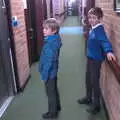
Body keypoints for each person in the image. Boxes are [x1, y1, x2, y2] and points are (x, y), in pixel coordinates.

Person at [77, 7, 116, 115]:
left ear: (100, 18)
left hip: (96, 60)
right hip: (90, 57)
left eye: (94, 18)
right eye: (90, 17)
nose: (91, 20)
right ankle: (88, 97)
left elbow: (104, 41)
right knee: (88, 79)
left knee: (95, 82)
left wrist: (108, 51)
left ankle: (96, 105)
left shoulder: (99, 29)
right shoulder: (92, 28)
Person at [39, 18, 62, 119]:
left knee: (50, 93)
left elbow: (48, 62)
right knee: (54, 90)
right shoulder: (55, 39)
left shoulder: (49, 44)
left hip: (49, 72)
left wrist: (44, 75)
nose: (44, 30)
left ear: (54, 31)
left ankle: (52, 113)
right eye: (43, 28)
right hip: (54, 71)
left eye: (46, 29)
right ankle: (57, 107)